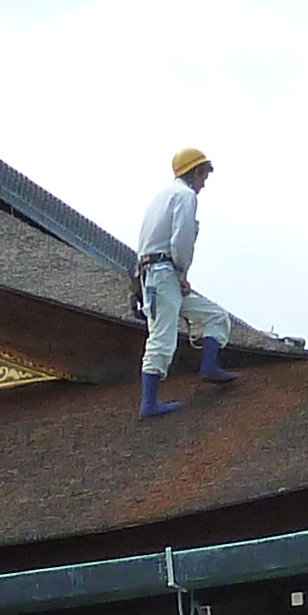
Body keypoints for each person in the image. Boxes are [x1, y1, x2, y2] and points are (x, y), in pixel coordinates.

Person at [133, 146, 240, 418]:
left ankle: (210, 366)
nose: (204, 183)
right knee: (161, 338)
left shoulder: (162, 197)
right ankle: (149, 404)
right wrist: (181, 274)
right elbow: (181, 240)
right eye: (204, 176)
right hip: (164, 273)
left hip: (158, 272)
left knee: (216, 317)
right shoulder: (185, 196)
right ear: (195, 172)